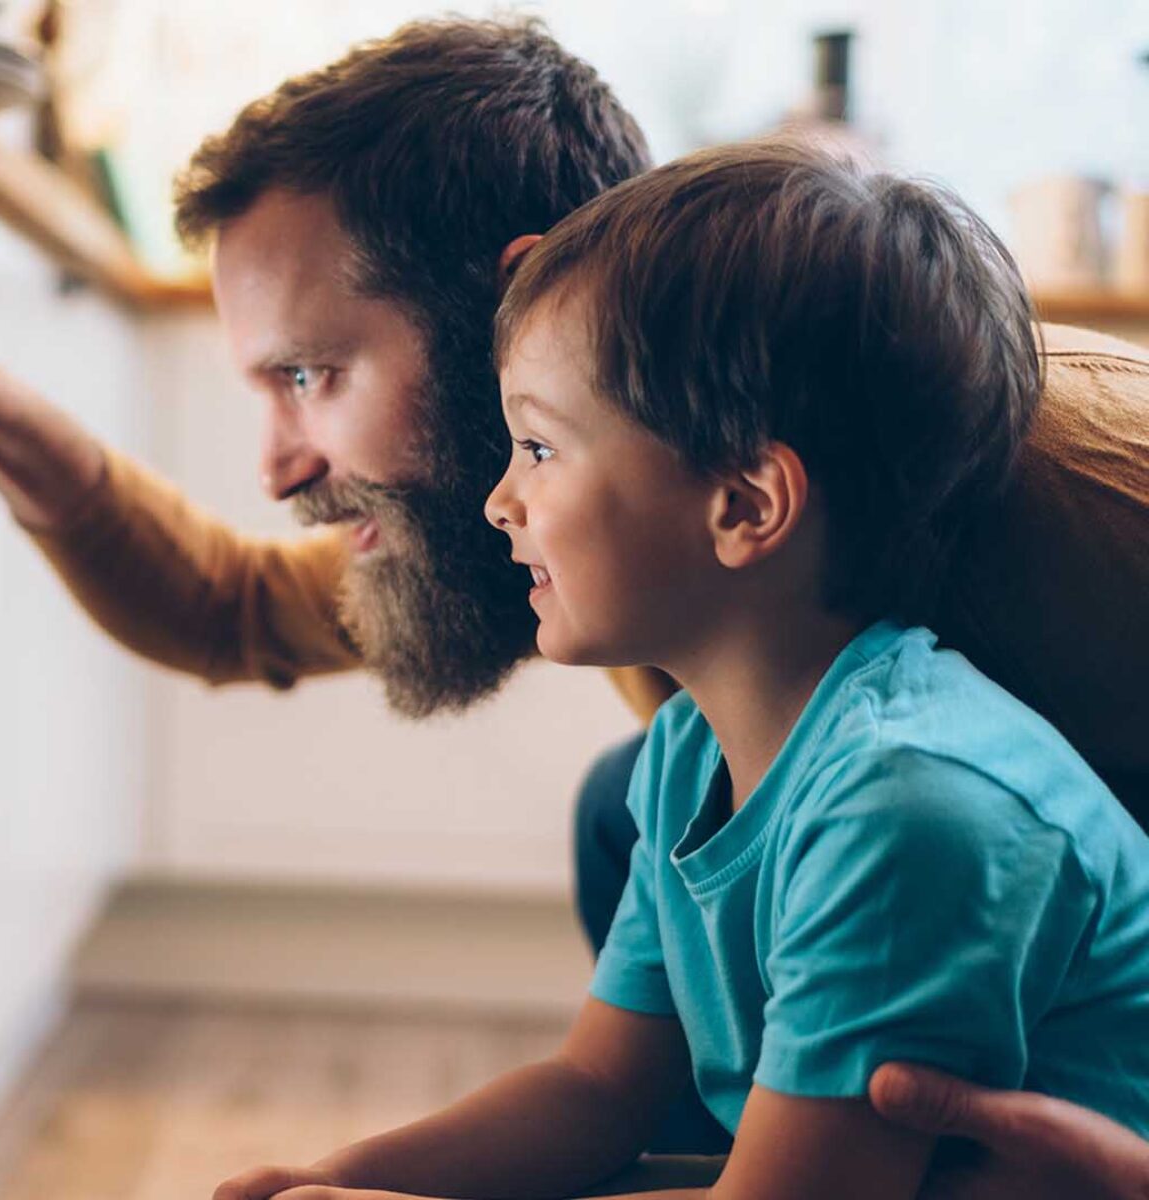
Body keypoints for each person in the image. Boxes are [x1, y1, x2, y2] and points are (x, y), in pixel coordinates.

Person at [0, 18, 1149, 1195]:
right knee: (632, 808)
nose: (278, 464)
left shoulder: (1075, 503)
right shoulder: (624, 533)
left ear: (509, 302)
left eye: (310, 374)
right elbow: (228, 607)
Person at [214, 139, 1149, 1200]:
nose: (499, 501)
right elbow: (596, 1091)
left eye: (542, 448)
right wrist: (333, 1176)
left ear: (746, 507)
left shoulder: (910, 809)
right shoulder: (691, 750)